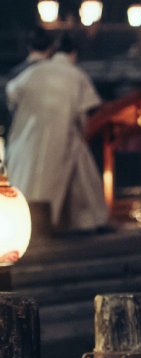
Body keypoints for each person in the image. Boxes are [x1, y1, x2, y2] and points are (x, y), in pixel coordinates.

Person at [5, 34, 109, 232]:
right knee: (81, 178)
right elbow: (89, 108)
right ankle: (90, 220)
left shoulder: (34, 72)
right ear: (73, 54)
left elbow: (12, 94)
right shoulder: (76, 74)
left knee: (28, 178)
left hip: (28, 135)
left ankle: (26, 221)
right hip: (64, 134)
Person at [1, 26, 54, 137]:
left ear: (29, 46)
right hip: (50, 131)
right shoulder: (56, 73)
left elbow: (10, 106)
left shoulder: (17, 73)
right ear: (50, 47)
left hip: (22, 132)